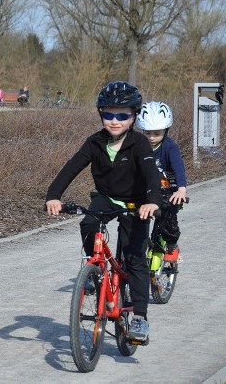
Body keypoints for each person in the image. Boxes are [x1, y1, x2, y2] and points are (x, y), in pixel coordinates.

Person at [45, 81, 161, 342]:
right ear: (101, 115)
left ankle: (140, 317)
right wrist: (54, 195)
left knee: (135, 258)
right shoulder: (95, 142)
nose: (115, 121)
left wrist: (152, 201)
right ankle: (93, 266)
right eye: (109, 114)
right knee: (87, 222)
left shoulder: (140, 144)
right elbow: (71, 167)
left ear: (134, 116)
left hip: (136, 204)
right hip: (107, 199)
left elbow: (151, 174)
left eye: (123, 115)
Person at [136, 101, 187, 260]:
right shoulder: (137, 146)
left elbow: (179, 168)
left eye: (157, 133)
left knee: (167, 218)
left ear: (166, 130)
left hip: (167, 189)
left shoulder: (169, 147)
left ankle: (172, 244)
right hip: (144, 189)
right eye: (148, 133)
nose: (151, 138)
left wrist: (181, 189)